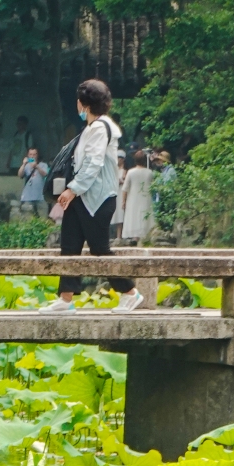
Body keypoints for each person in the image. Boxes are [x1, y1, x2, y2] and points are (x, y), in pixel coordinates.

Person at [48, 79, 140, 313]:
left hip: (96, 198)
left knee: (100, 250)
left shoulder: (99, 128)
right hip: (82, 197)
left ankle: (130, 292)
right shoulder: (91, 128)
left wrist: (72, 189)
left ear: (83, 105)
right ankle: (66, 299)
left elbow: (92, 164)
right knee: (69, 246)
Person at [120, 149, 155, 242]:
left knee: (133, 215)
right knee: (144, 214)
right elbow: (153, 186)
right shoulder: (149, 172)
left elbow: (125, 188)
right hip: (146, 197)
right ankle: (145, 234)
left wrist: (123, 201)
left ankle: (134, 236)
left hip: (133, 198)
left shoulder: (131, 172)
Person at [18, 147, 48, 215]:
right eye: (30, 154)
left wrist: (37, 167)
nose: (32, 156)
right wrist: (23, 164)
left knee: (42, 217)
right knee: (27, 217)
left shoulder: (43, 165)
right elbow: (20, 175)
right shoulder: (26, 165)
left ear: (37, 155)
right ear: (28, 155)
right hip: (28, 196)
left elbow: (45, 174)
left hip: (40, 196)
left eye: (34, 154)